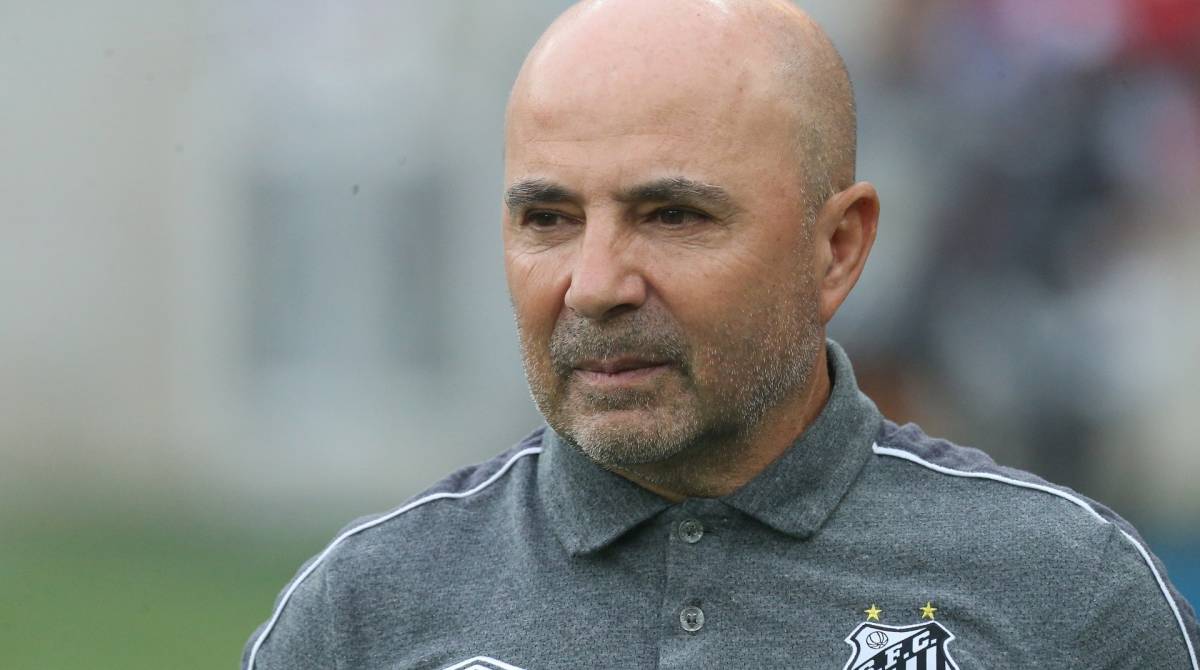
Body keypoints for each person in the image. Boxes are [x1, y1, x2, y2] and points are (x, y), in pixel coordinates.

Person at [243, 1, 1200, 668]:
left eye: (673, 216)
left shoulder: (1068, 596)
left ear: (836, 249)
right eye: (548, 219)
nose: (595, 285)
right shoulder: (366, 612)